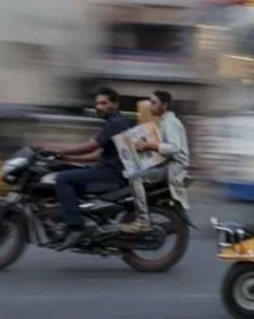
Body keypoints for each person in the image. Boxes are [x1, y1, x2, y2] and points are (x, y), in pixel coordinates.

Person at [39, 87, 133, 250]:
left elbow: (90, 147)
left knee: (62, 179)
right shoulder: (114, 123)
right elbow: (98, 155)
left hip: (111, 174)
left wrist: (58, 150)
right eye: (97, 103)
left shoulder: (115, 123)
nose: (99, 107)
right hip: (109, 170)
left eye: (104, 103)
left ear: (115, 104)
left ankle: (75, 228)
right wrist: (66, 158)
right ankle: (85, 218)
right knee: (68, 172)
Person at [120, 90, 190, 233]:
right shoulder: (164, 122)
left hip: (173, 168)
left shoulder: (170, 122)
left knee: (135, 178)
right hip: (168, 165)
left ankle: (143, 220)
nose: (150, 106)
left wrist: (149, 145)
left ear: (164, 105)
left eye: (153, 103)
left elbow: (174, 148)